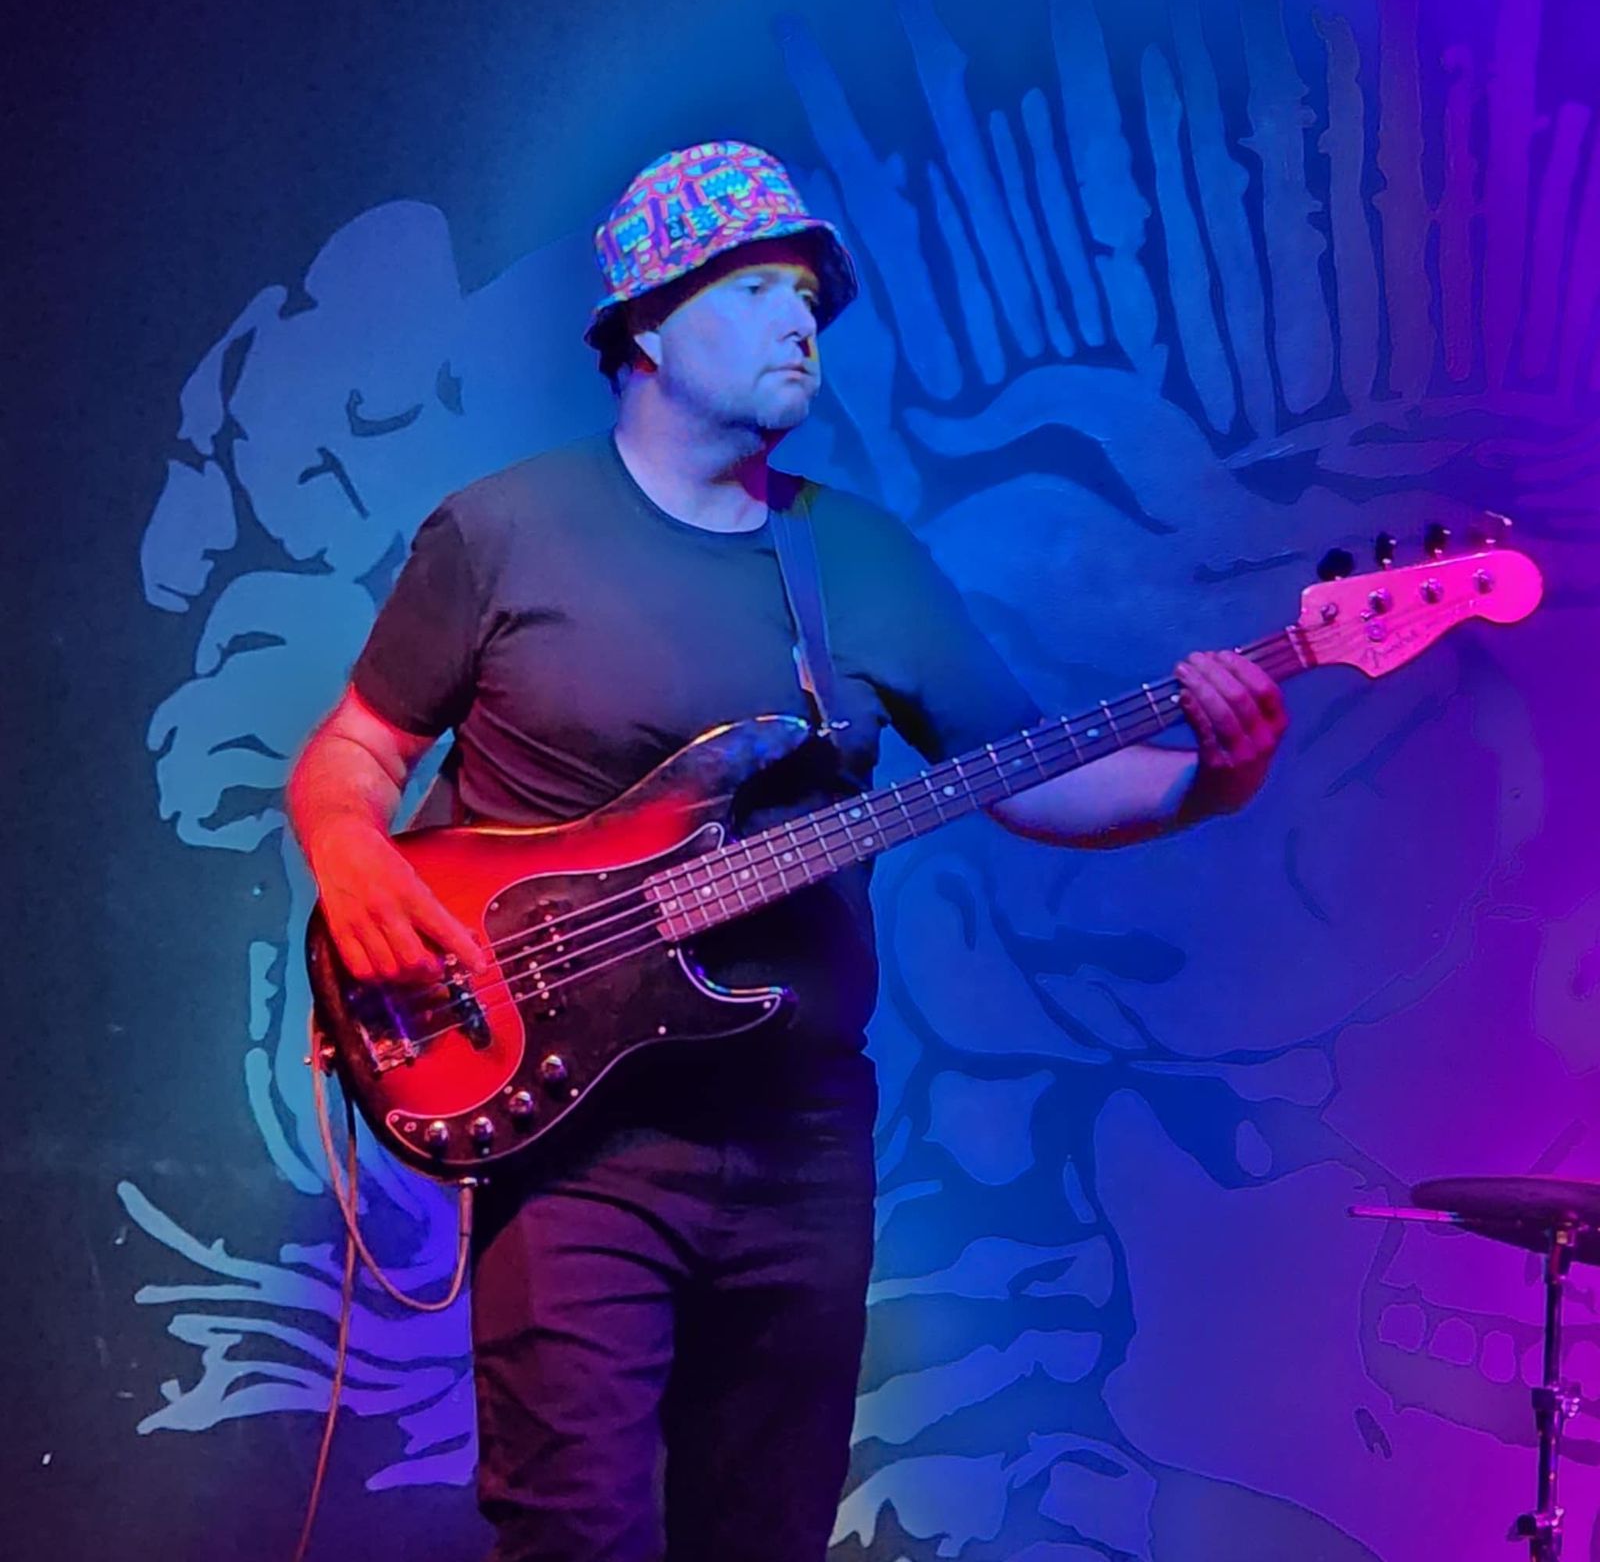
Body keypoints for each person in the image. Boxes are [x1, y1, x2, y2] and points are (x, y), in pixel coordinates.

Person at [285, 139, 1288, 1562]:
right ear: (646, 322)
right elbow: (355, 749)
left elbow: (1035, 778)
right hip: (577, 1141)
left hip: (798, 1138)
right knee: (576, 1534)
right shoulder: (502, 533)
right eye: (758, 289)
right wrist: (349, 851)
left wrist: (1211, 780)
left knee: (762, 1536)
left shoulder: (858, 557)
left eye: (810, 297)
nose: (801, 321)